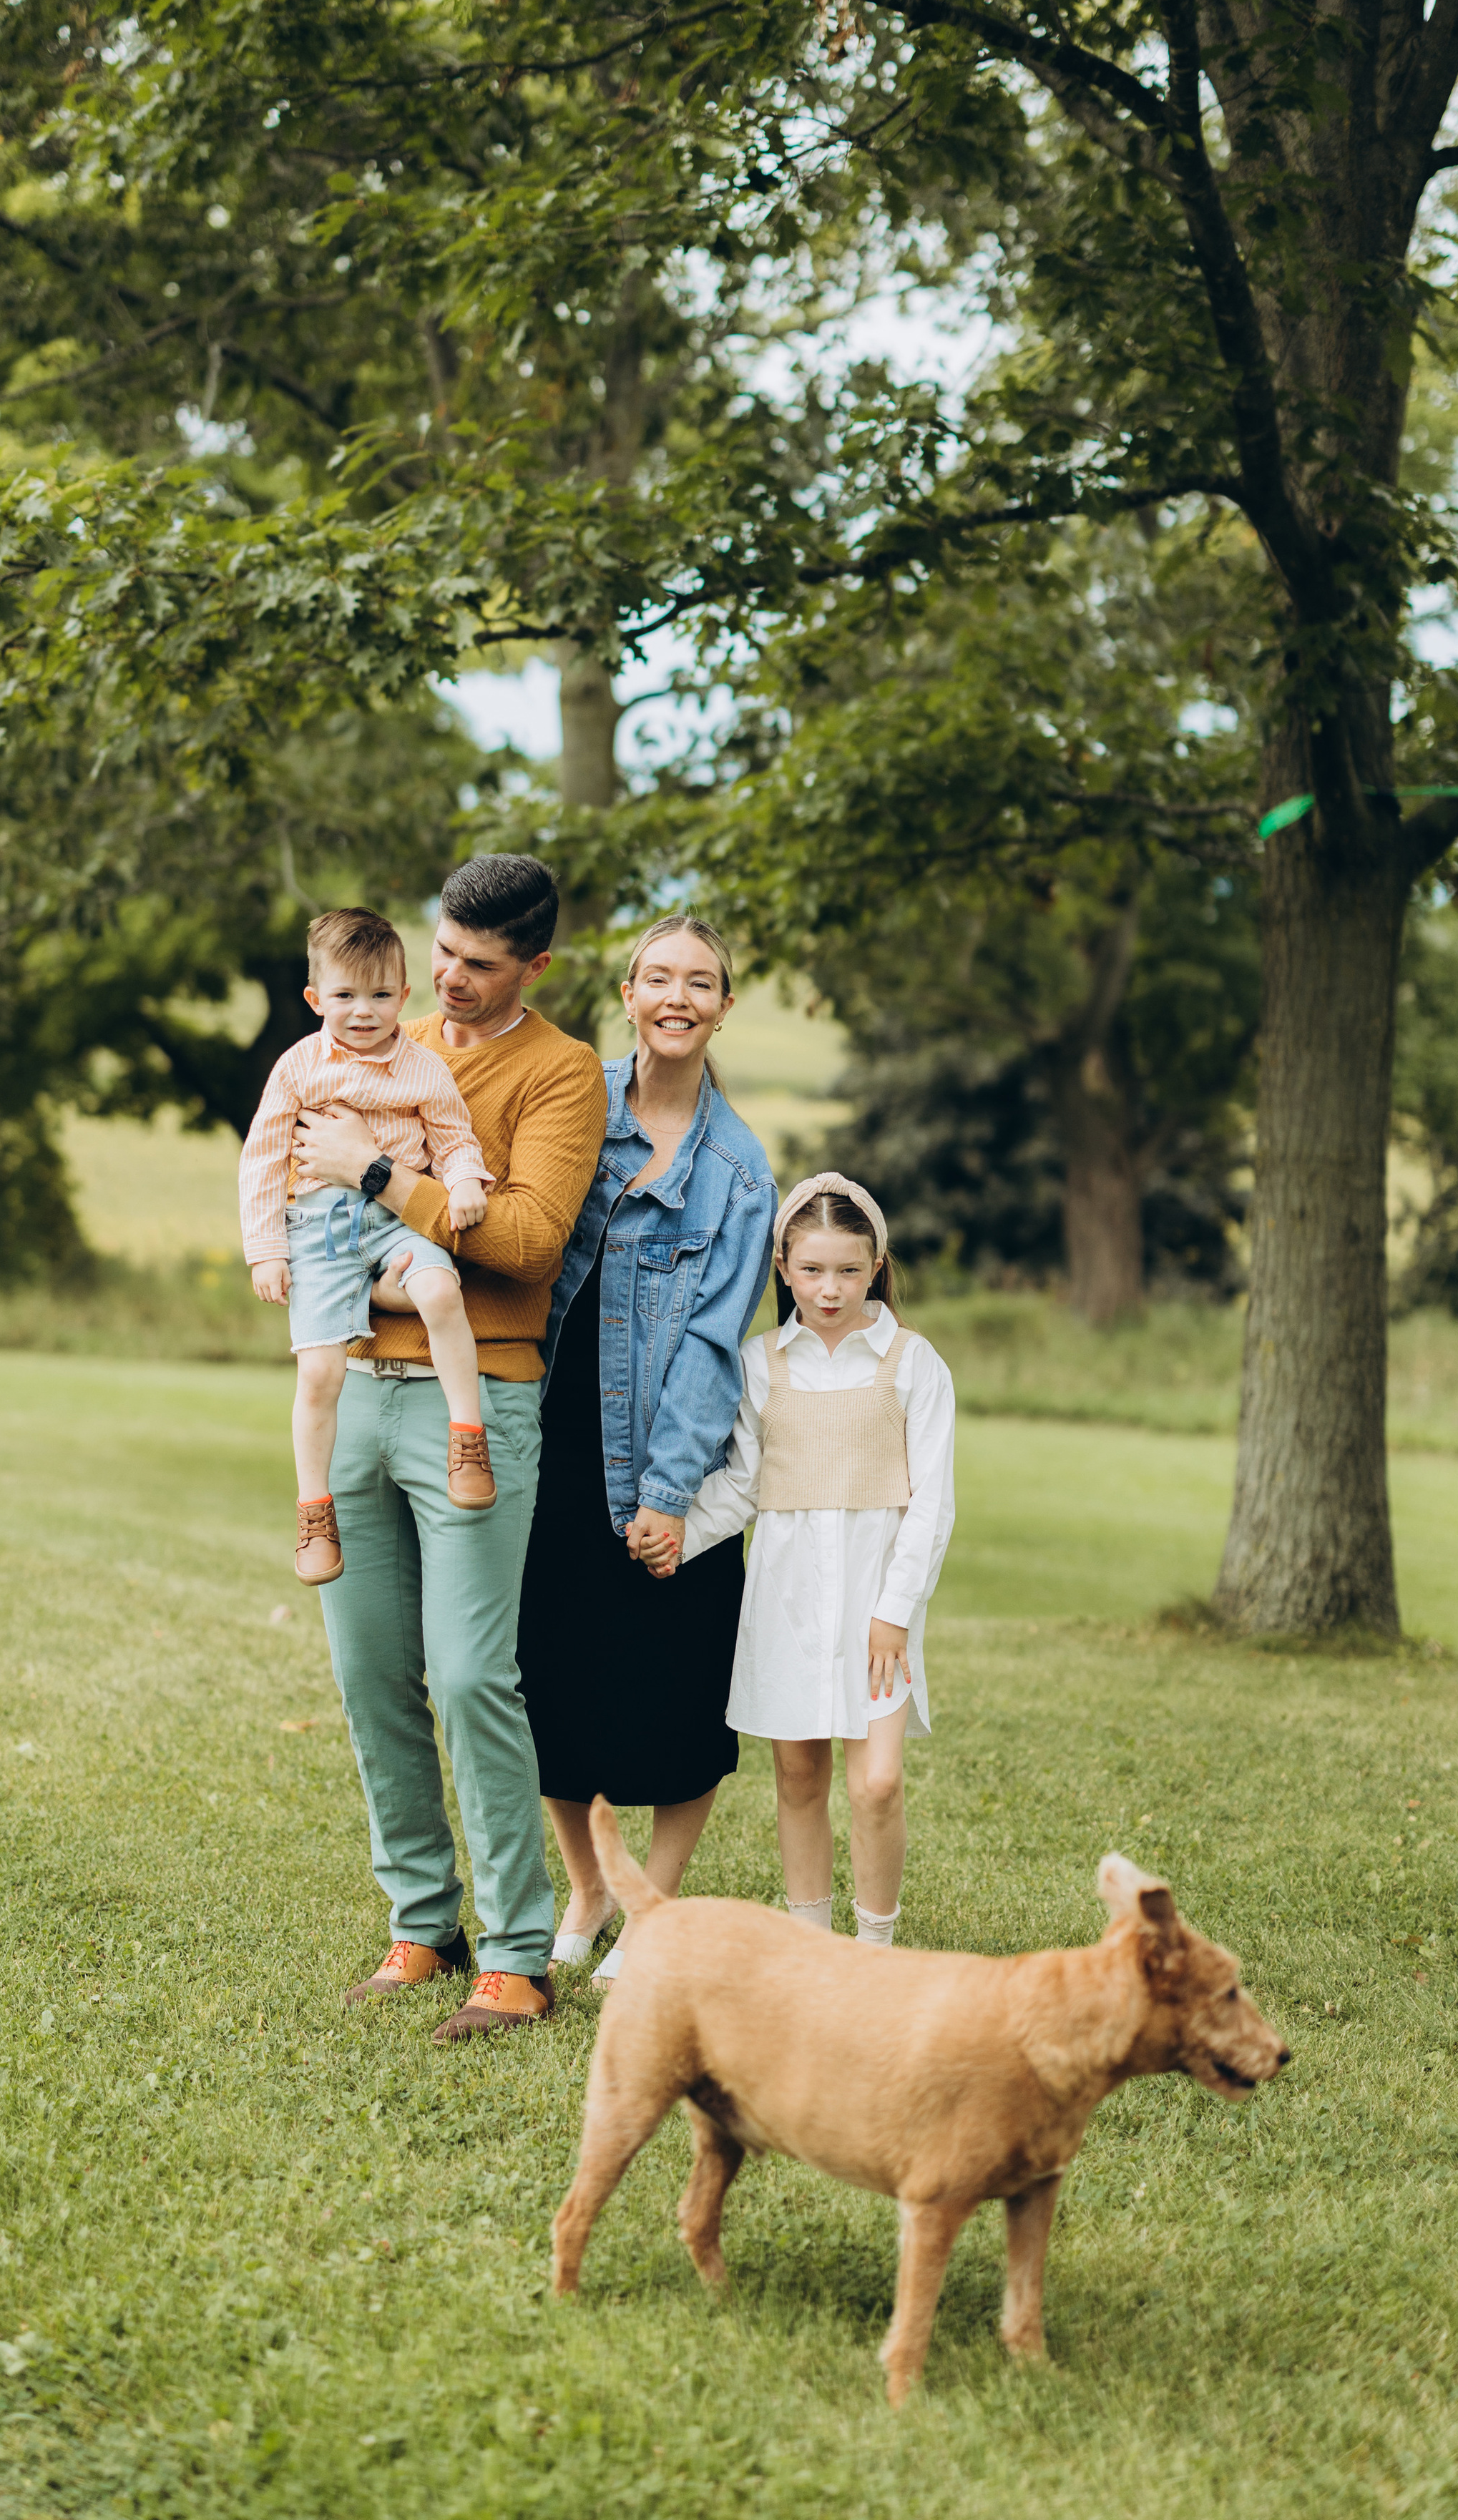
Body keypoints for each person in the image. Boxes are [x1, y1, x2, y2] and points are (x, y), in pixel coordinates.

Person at [288, 855, 607, 2044]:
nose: (449, 981)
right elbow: (296, 1166)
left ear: (534, 964)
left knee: (473, 1676)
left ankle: (520, 1959)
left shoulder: (563, 1073)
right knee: (371, 1673)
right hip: (352, 1386)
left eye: (480, 964)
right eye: (444, 954)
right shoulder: (386, 1038)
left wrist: (378, 1176)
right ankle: (424, 1923)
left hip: (480, 1399)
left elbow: (524, 1242)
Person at [518, 914, 776, 1988]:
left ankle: (655, 1905)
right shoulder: (576, 1101)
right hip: (549, 1434)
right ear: (627, 992)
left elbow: (717, 1343)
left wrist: (670, 1493)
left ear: (723, 1006)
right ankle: (588, 1884)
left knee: (680, 1687)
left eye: (701, 982)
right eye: (658, 978)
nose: (678, 997)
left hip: (670, 1453)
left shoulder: (739, 1170)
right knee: (546, 1678)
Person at [656, 1174, 956, 1948]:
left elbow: (931, 1502)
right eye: (813, 1269)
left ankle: (875, 1951)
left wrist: (893, 1613)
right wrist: (675, 1538)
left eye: (849, 1270)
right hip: (787, 1598)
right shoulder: (761, 1364)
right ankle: (813, 1949)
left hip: (876, 1611)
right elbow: (743, 1487)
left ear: (877, 1264)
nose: (830, 1289)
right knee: (797, 1777)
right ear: (784, 1268)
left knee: (878, 1783)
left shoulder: (912, 1362)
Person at [238, 908, 501, 1587]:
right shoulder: (299, 1067)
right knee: (320, 1373)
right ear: (315, 998)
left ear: (403, 996)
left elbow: (453, 1137)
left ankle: (467, 1438)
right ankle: (314, 1509)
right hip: (320, 1228)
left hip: (397, 1223)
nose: (364, 1012)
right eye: (346, 996)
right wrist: (266, 1249)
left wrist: (467, 1178)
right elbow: (263, 1159)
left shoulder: (425, 1070)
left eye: (381, 996)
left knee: (442, 1291)